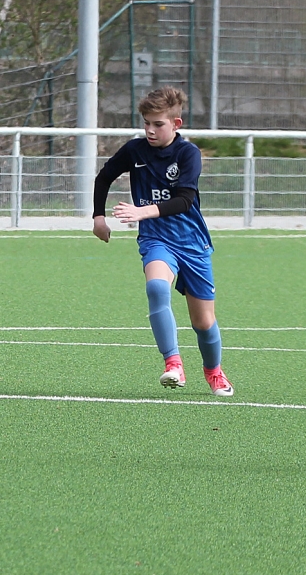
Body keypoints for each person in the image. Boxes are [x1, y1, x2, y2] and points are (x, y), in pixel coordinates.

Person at [92, 86, 233, 397]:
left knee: (204, 322)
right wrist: (98, 217)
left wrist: (141, 211)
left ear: (176, 124)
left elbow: (184, 200)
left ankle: (214, 372)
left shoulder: (188, 154)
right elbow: (104, 177)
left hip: (192, 242)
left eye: (158, 124)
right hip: (156, 239)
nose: (150, 130)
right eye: (146, 123)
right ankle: (174, 364)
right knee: (156, 288)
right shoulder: (135, 150)